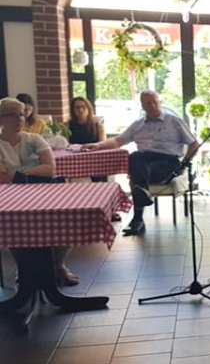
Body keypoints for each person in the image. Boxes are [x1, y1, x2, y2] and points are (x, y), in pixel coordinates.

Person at [84, 90, 198, 236]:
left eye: (155, 102)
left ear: (159, 102)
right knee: (135, 157)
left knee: (138, 178)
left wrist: (184, 164)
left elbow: (194, 144)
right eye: (148, 103)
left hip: (168, 162)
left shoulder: (174, 121)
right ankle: (141, 196)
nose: (152, 106)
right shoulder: (137, 125)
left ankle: (137, 219)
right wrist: (98, 145)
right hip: (144, 161)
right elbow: (118, 141)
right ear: (142, 106)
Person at [0, 97, 78, 285]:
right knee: (12, 228)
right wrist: (32, 171)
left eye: (22, 114)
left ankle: (58, 265)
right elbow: (2, 178)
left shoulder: (34, 139)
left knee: (66, 221)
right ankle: (24, 269)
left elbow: (50, 169)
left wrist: (18, 174)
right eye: (13, 115)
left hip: (44, 192)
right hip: (9, 197)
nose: (19, 119)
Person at [67, 96, 107, 183]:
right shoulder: (67, 125)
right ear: (73, 110)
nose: (81, 110)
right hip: (75, 159)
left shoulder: (98, 125)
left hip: (94, 158)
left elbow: (102, 144)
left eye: (83, 107)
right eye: (77, 107)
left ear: (88, 108)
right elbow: (65, 144)